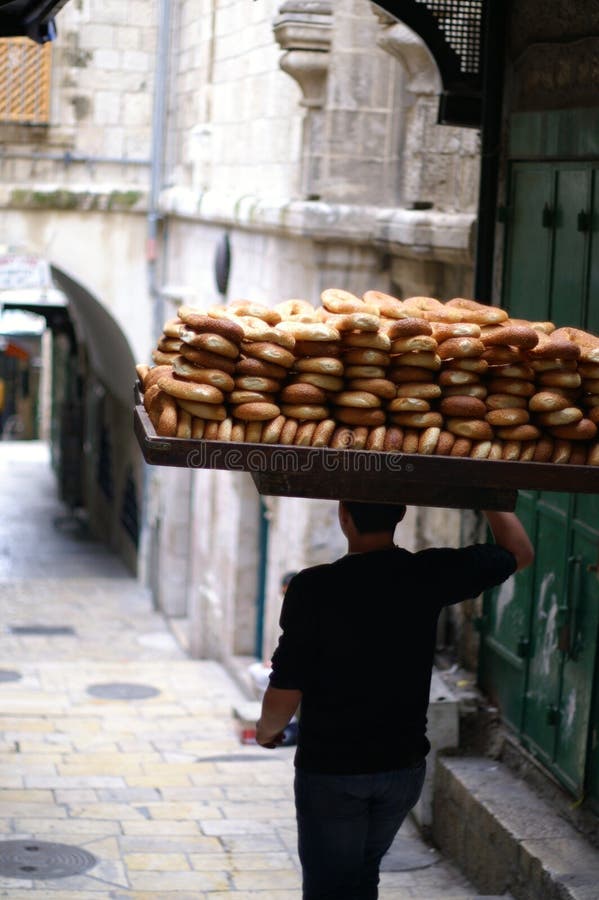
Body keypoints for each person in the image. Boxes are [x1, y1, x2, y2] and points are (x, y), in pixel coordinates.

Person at [256, 501, 534, 900]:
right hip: (401, 769)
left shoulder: (313, 586)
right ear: (401, 513)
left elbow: (287, 682)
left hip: (333, 772)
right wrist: (488, 495)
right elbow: (519, 553)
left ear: (343, 516)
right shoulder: (427, 574)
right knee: (363, 875)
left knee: (328, 888)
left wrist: (268, 732)